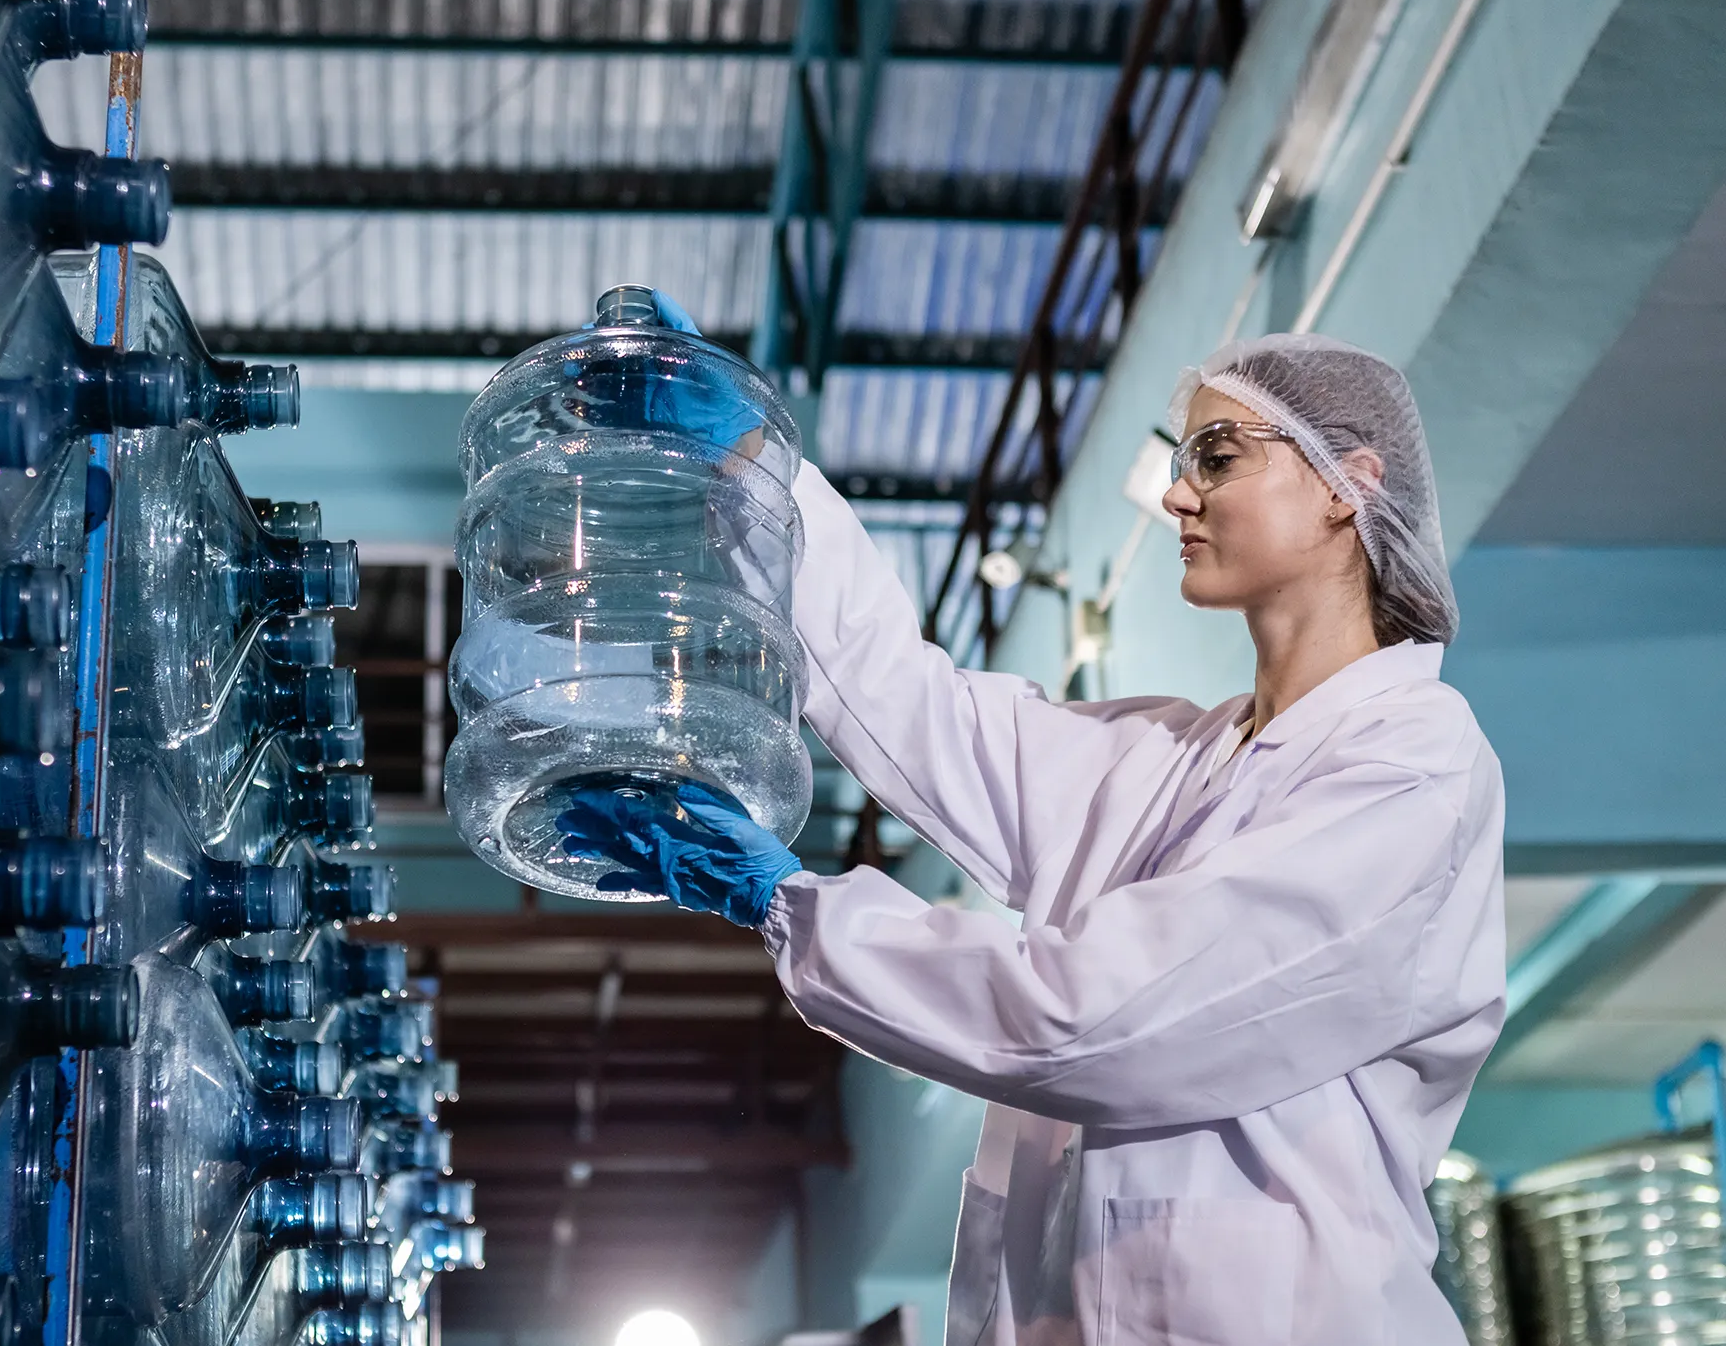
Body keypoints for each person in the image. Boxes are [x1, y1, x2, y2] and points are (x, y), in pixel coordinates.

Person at [558, 314, 1506, 1346]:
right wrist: (747, 465)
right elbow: (904, 701)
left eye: (1216, 458)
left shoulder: (1410, 767)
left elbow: (1092, 1021)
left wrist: (791, 904)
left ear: (1346, 484)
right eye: (1178, 461)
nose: (1177, 495)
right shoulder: (1158, 763)